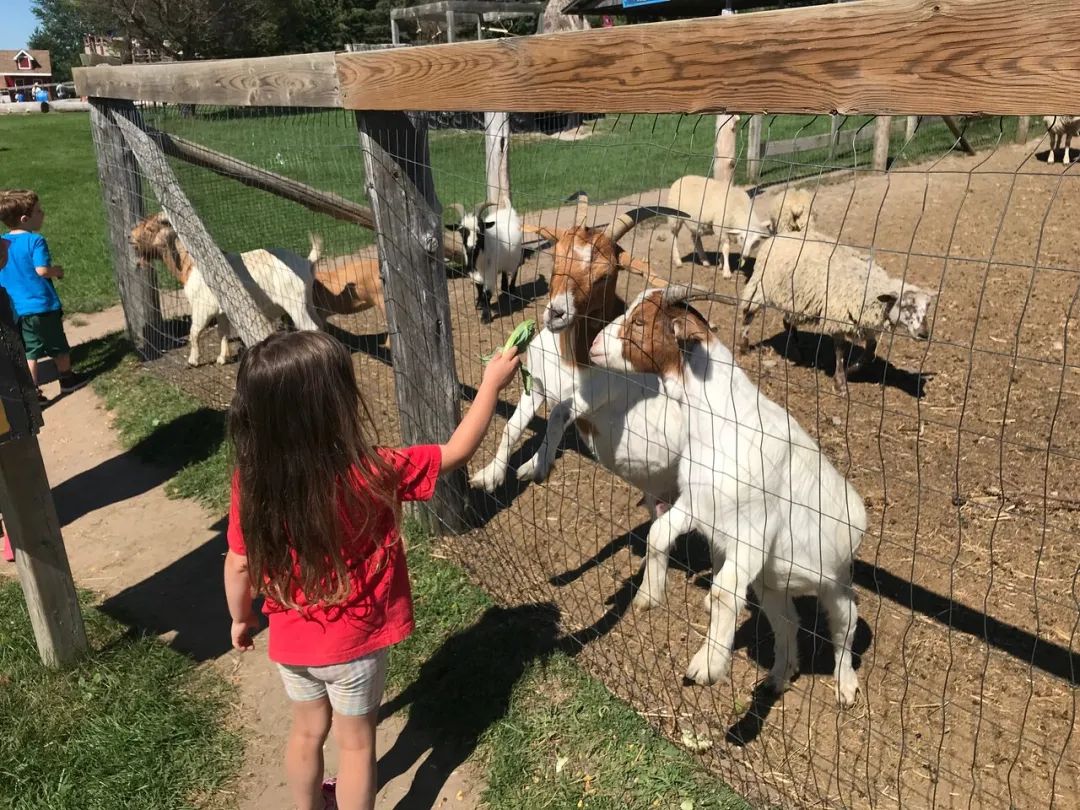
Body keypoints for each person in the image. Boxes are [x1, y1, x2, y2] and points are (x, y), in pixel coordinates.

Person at [224, 330, 522, 810]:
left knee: (306, 733)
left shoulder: (251, 483)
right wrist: (490, 384)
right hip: (355, 646)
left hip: (293, 643)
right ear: (334, 405)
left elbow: (239, 564)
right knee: (357, 746)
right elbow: (457, 451)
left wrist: (241, 617)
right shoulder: (373, 470)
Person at [0, 189, 87, 400]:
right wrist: (56, 271)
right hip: (42, 305)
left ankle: (32, 393)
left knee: (30, 351)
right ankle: (67, 379)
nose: (43, 213)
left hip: (16, 309)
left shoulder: (2, 243)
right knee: (58, 346)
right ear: (25, 219)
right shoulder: (35, 240)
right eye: (39, 211)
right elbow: (41, 270)